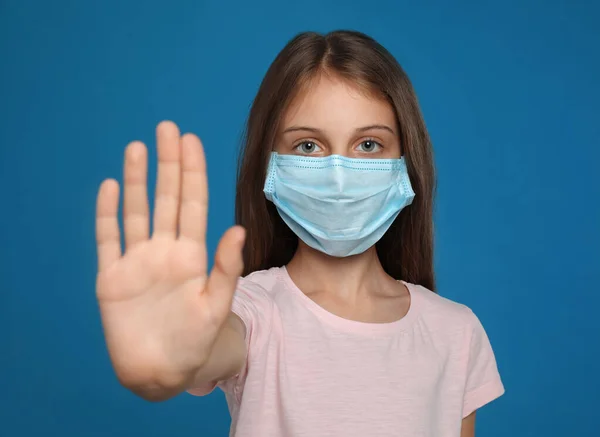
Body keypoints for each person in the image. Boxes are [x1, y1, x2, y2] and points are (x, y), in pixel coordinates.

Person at [95, 30, 504, 437]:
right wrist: (168, 357)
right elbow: (208, 347)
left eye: (368, 144)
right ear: (270, 162)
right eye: (308, 146)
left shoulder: (455, 332)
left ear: (405, 159)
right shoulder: (251, 311)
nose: (339, 176)